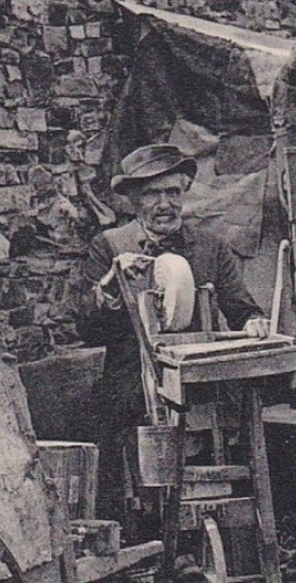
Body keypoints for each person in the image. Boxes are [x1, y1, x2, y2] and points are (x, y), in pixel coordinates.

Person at [75, 143, 268, 522]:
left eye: (172, 192)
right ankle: (140, 536)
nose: (164, 204)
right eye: (151, 194)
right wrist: (111, 283)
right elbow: (86, 329)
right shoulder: (110, 245)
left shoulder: (210, 248)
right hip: (133, 378)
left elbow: (240, 307)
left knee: (236, 420)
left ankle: (218, 533)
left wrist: (253, 321)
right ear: (132, 199)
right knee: (118, 429)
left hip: (197, 381)